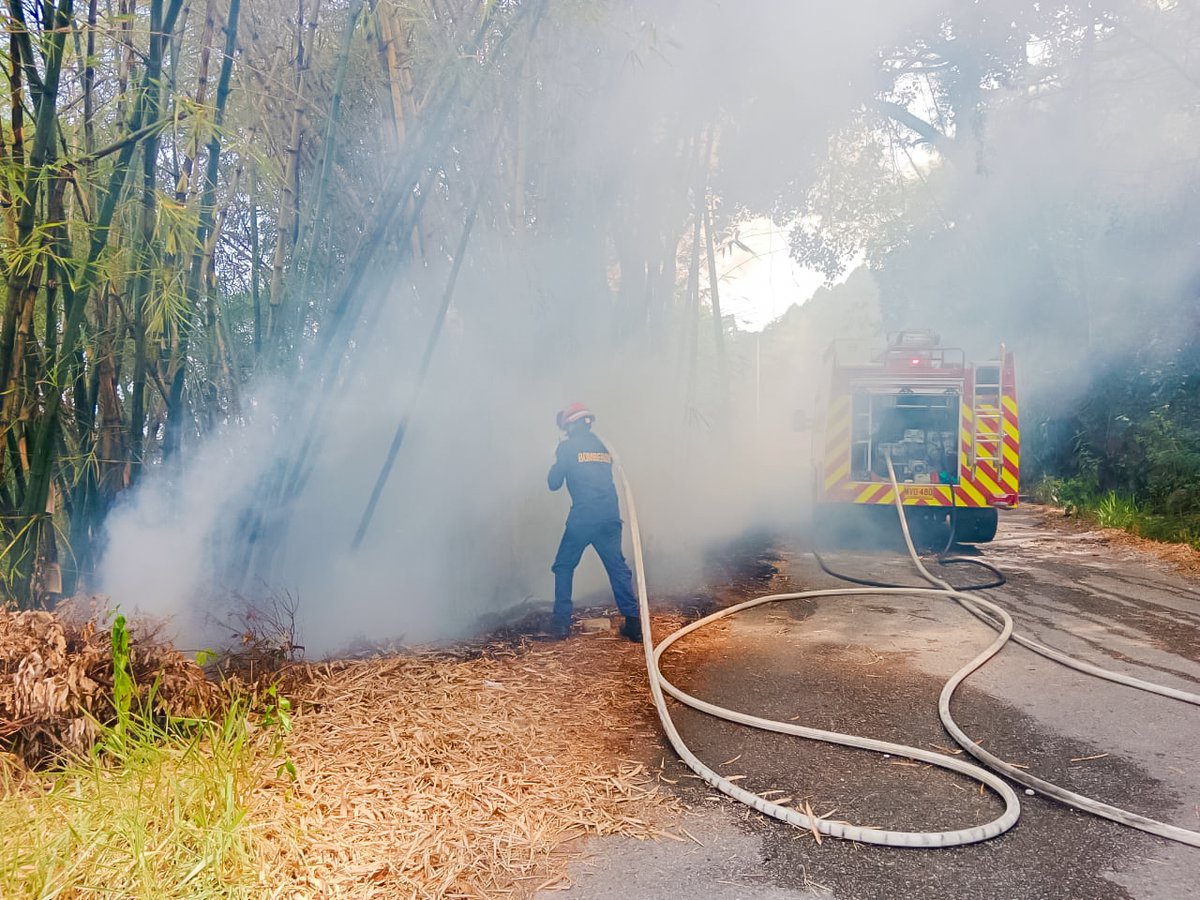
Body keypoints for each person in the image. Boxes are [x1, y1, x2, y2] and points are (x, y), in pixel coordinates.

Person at [547, 403, 642, 642]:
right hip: (610, 516)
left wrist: (557, 458)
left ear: (570, 425)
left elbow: (553, 483)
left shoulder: (567, 447)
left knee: (563, 566)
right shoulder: (603, 446)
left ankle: (560, 625)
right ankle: (634, 624)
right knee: (617, 568)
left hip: (583, 518)